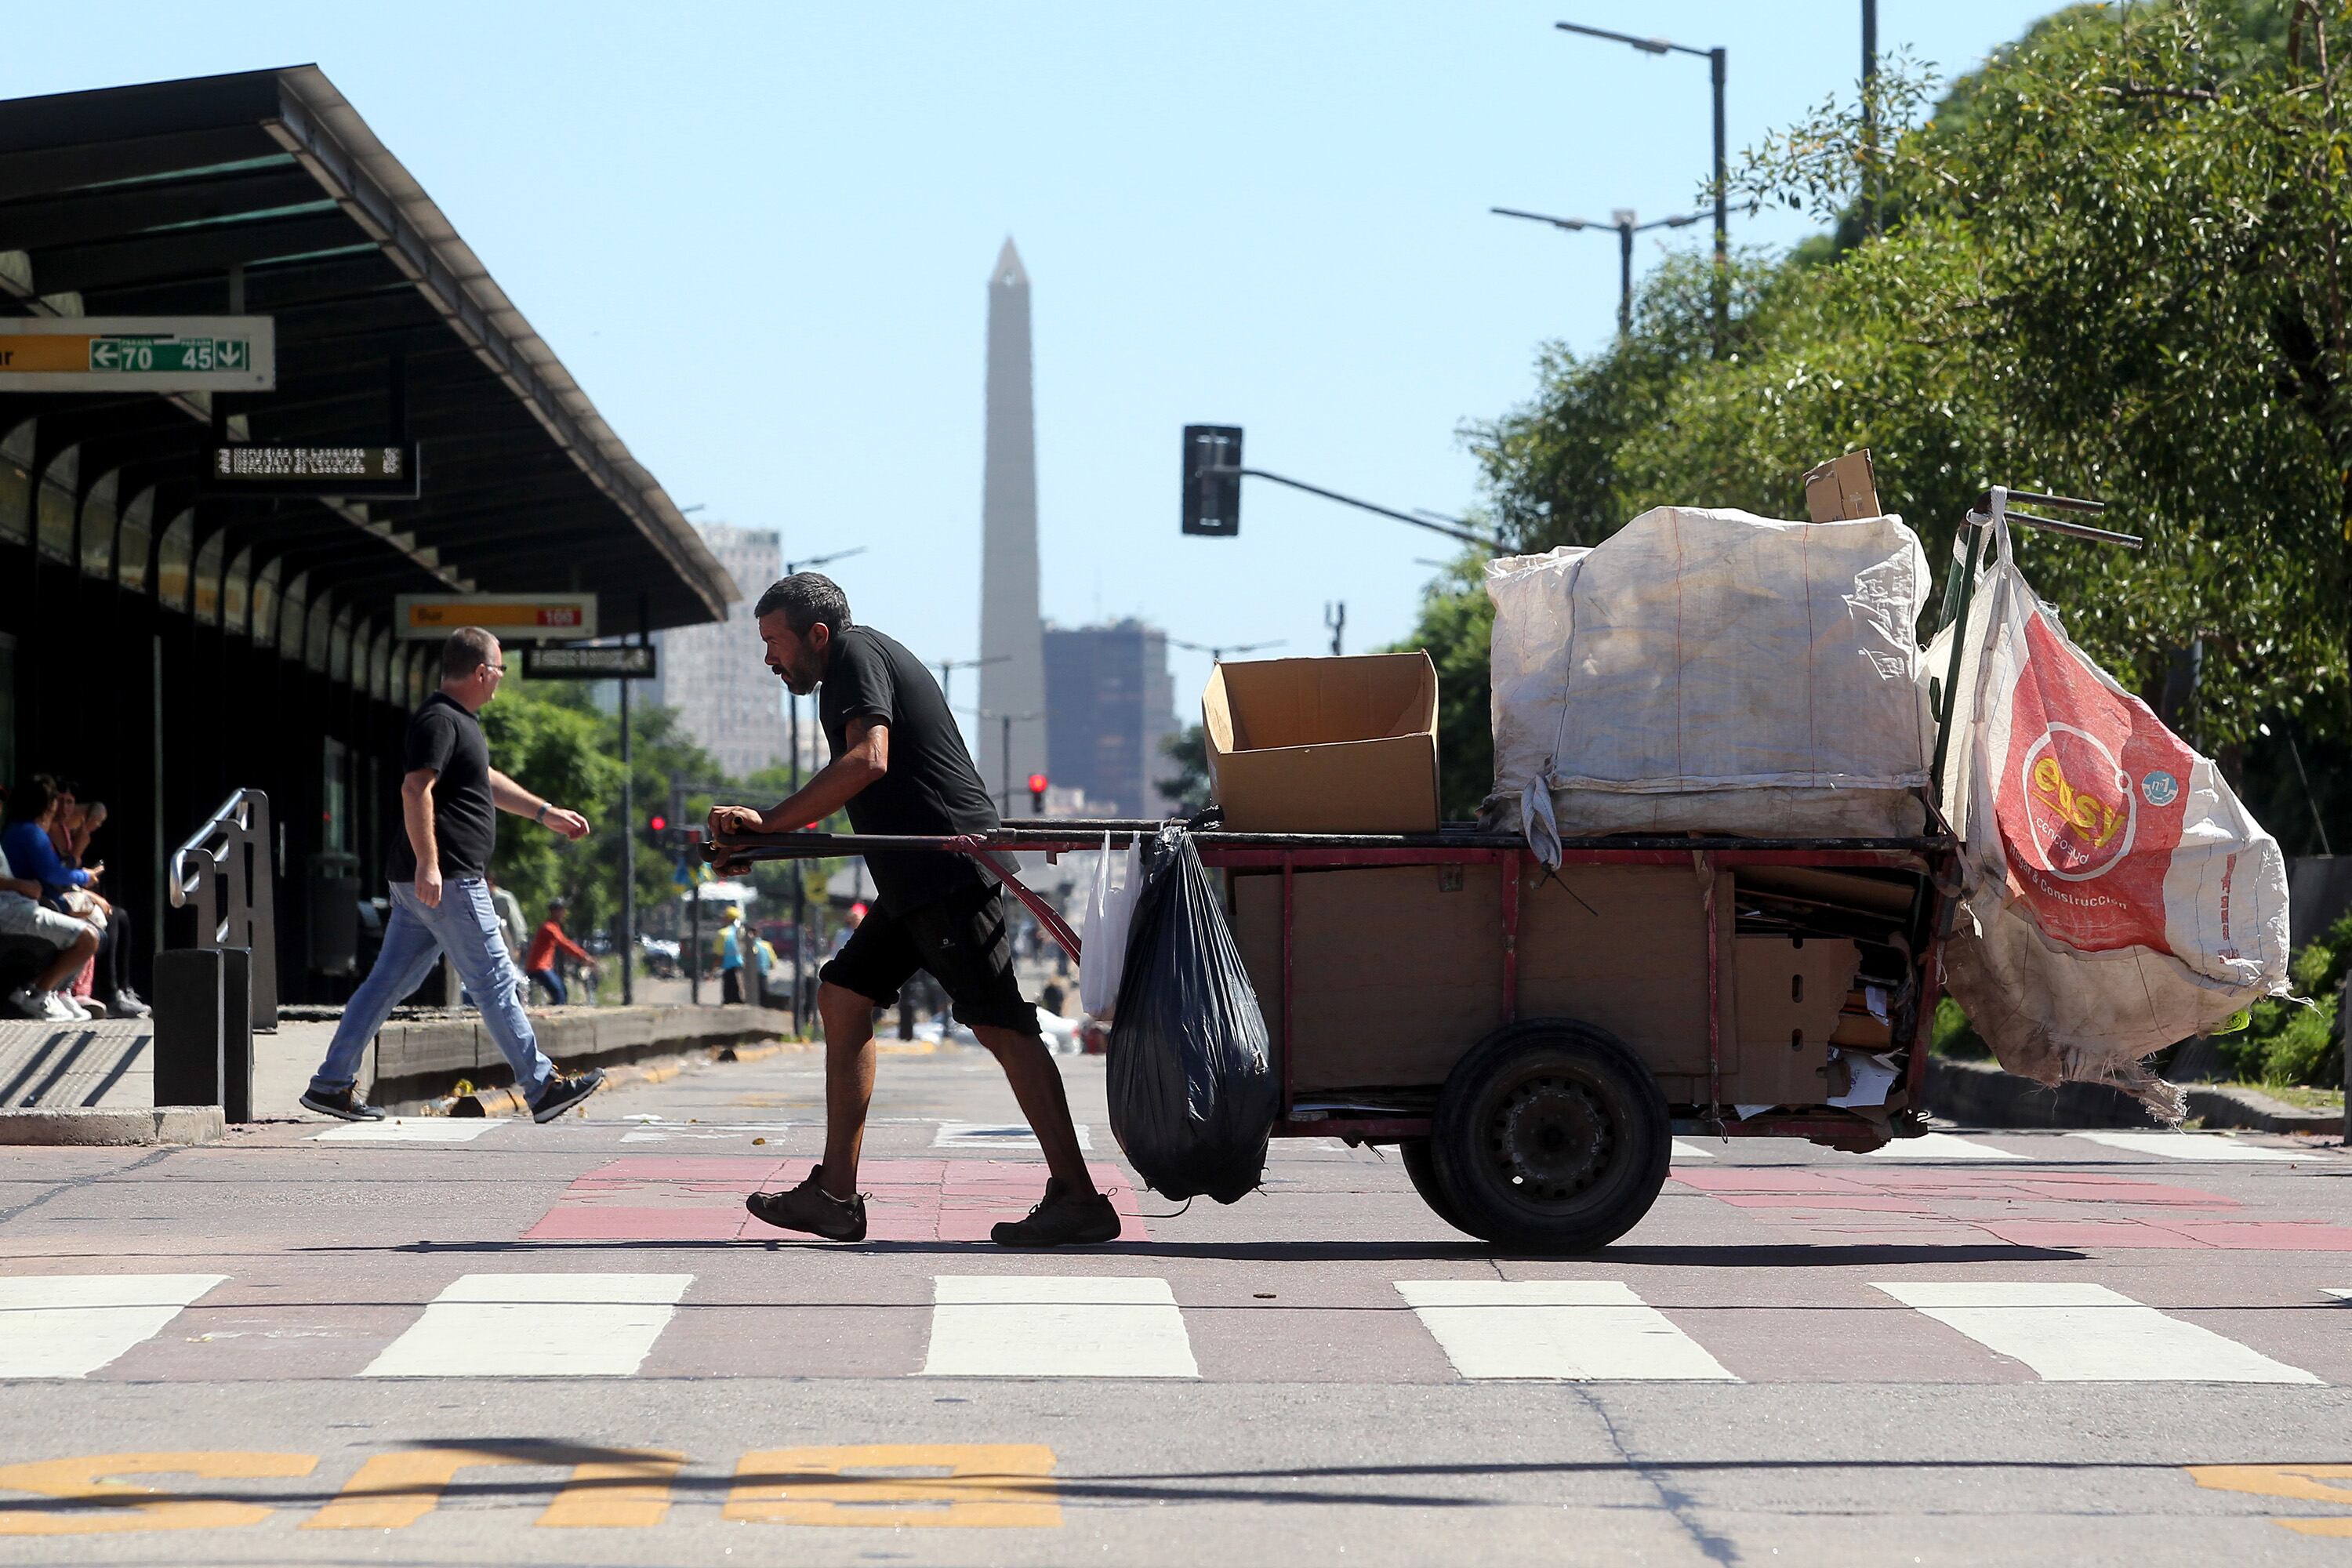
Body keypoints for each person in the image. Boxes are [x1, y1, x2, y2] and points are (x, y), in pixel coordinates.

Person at [713, 573, 1116, 1247]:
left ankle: (1079, 1197)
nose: (769, 659)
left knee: (1001, 1024)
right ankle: (835, 1196)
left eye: (775, 642)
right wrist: (766, 837)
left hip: (944, 870)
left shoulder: (854, 655)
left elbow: (867, 761)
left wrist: (770, 824)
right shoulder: (855, 661)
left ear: (818, 634)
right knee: (844, 996)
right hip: (915, 877)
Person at [300, 627, 607, 1123]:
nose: (501, 679)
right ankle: (543, 1086)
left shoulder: (460, 722)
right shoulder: (440, 719)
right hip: (450, 881)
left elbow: (484, 778)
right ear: (482, 672)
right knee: (495, 983)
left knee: (386, 985)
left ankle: (331, 1084)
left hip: (430, 885)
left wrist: (543, 812)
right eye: (500, 670)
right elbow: (415, 788)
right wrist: (430, 863)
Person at [1, 775, 144, 1018]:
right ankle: (43, 993)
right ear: (46, 805)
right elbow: (52, 873)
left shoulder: (24, 830)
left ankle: (56, 991)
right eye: (57, 801)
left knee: (104, 925)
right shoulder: (29, 831)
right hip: (23, 906)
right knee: (91, 934)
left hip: (26, 902)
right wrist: (84, 876)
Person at [0, 836, 101, 1022]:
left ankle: (36, 991)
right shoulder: (28, 833)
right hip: (8, 911)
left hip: (20, 905)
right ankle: (40, 996)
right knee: (87, 938)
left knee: (92, 931)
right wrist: (20, 885)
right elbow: (53, 873)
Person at [524, 896, 595, 1006]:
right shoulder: (548, 928)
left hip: (544, 968)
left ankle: (552, 1010)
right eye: (562, 911)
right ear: (555, 912)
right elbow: (564, 944)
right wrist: (584, 956)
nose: (565, 914)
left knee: (562, 992)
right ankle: (554, 1014)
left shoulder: (554, 927)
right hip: (539, 968)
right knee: (559, 994)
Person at [719, 905, 749, 1004]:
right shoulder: (743, 932)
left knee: (730, 996)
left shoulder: (724, 933)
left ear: (729, 919)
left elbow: (719, 954)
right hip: (742, 967)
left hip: (731, 968)